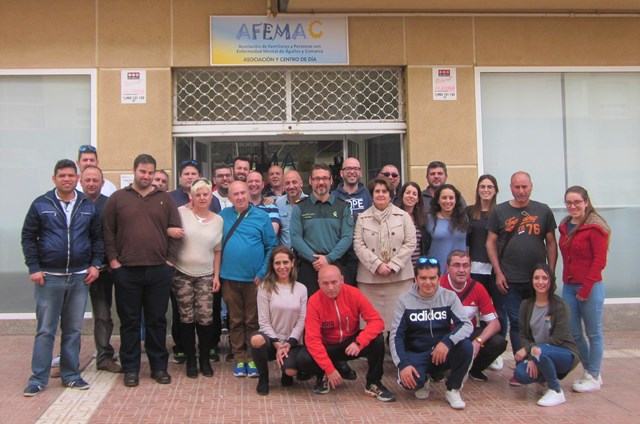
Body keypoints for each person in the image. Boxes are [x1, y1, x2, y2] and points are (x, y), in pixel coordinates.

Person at [21, 159, 104, 396]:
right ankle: (38, 378)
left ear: (77, 178)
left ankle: (70, 375)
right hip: (49, 277)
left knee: (73, 329)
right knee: (46, 329)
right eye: (62, 175)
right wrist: (34, 267)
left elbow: (97, 238)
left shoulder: (87, 205)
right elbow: (28, 237)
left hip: (79, 277)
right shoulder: (41, 204)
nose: (67, 179)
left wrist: (96, 265)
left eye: (70, 175)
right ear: (54, 178)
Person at [103, 154, 182, 387]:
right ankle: (131, 369)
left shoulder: (165, 199)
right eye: (143, 172)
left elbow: (176, 230)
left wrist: (169, 262)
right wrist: (114, 261)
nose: (147, 176)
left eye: (150, 173)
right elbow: (108, 232)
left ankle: (159, 367)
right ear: (135, 171)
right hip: (127, 270)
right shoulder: (118, 199)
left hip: (159, 270)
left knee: (157, 321)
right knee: (129, 321)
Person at [486, 171, 557, 384]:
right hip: (510, 278)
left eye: (524, 187)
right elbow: (490, 242)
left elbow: (551, 243)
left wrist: (550, 274)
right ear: (510, 188)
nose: (521, 191)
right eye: (517, 187)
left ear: (531, 186)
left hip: (538, 281)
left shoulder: (543, 210)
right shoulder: (500, 211)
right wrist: (498, 272)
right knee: (517, 323)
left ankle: (542, 364)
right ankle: (522, 367)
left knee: (541, 323)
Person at [296, 265, 395, 402]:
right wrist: (329, 369)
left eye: (334, 282)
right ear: (318, 284)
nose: (330, 288)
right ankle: (322, 374)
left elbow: (377, 322)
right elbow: (312, 339)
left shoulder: (354, 293)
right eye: (325, 283)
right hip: (328, 347)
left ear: (342, 280)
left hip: (351, 344)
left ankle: (373, 383)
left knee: (377, 340)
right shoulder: (314, 301)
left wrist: (359, 342)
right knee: (303, 359)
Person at [390, 257, 473, 409]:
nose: (428, 282)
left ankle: (453, 389)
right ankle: (423, 380)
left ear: (439, 278)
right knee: (410, 384)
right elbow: (396, 336)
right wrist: (403, 364)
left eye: (432, 278)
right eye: (423, 278)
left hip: (441, 353)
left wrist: (447, 342)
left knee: (466, 346)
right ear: (415, 278)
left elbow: (466, 325)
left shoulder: (449, 296)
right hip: (417, 353)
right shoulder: (404, 300)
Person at [219, 181, 278, 379]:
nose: (240, 197)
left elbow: (271, 246)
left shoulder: (261, 217)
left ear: (248, 193)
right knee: (235, 321)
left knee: (253, 321)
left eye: (243, 193)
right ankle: (239, 358)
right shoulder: (222, 217)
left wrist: (262, 273)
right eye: (235, 194)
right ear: (229, 197)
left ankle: (253, 358)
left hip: (254, 281)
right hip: (228, 278)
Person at [168, 159, 221, 365]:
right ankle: (191, 359)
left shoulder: (218, 220)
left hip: (206, 275)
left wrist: (216, 276)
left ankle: (205, 359)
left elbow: (217, 250)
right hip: (182, 274)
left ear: (210, 196)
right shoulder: (180, 213)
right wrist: (168, 230)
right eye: (197, 194)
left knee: (206, 318)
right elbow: (165, 230)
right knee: (186, 318)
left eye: (205, 194)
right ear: (192, 196)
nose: (202, 197)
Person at [559, 186, 610, 393]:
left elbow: (599, 260)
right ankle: (590, 370)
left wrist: (587, 287)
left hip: (590, 286)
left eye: (577, 202)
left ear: (586, 202)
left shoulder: (596, 227)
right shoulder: (564, 225)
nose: (573, 206)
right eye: (569, 203)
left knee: (594, 332)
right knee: (573, 332)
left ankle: (594, 374)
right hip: (569, 286)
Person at [353, 178, 416, 332]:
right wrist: (377, 265)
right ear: (372, 195)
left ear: (390, 194)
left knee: (400, 323)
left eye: (384, 191)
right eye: (377, 191)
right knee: (372, 325)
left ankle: (397, 354)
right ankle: (376, 354)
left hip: (399, 279)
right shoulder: (362, 218)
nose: (381, 194)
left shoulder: (403, 216)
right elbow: (358, 244)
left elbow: (410, 243)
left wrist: (393, 265)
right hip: (370, 280)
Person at [513, 264, 579, 407]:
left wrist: (530, 350)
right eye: (536, 278)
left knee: (539, 350)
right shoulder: (526, 304)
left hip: (564, 352)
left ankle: (555, 391)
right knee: (520, 374)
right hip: (538, 352)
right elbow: (523, 335)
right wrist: (532, 356)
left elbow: (557, 339)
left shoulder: (560, 306)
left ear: (551, 282)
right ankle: (544, 378)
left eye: (544, 278)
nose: (540, 282)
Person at [440, 250, 507, 382]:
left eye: (465, 265)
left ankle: (473, 369)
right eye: (457, 265)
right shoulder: (438, 286)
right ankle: (439, 369)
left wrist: (478, 342)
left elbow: (495, 324)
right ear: (447, 267)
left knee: (498, 342)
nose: (461, 270)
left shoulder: (478, 288)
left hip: (466, 334)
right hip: (443, 335)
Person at [80, 166, 122, 373]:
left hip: (106, 269)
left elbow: (118, 233)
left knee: (103, 316)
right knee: (72, 318)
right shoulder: (74, 204)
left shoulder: (110, 205)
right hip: (78, 269)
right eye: (87, 180)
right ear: (81, 181)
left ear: (102, 183)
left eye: (95, 180)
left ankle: (104, 357)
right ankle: (68, 360)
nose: (91, 183)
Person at [250, 246, 307, 395]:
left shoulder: (301, 288)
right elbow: (263, 321)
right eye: (277, 263)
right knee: (256, 339)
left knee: (290, 372)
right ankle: (263, 376)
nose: (282, 267)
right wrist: (277, 344)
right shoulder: (264, 287)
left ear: (292, 263)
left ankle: (285, 370)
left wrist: (288, 343)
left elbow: (301, 320)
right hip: (271, 340)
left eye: (285, 262)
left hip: (291, 343)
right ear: (272, 265)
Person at [290, 163, 354, 294]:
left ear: (331, 180)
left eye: (325, 178)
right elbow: (295, 237)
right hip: (309, 267)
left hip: (335, 264)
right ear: (310, 181)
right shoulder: (300, 207)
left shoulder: (343, 207)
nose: (321, 182)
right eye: (317, 178)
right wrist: (316, 260)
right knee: (311, 308)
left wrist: (329, 258)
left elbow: (347, 237)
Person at [466, 174, 507, 370]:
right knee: (478, 309)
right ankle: (481, 345)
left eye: (490, 187)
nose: (486, 190)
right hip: (475, 267)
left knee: (498, 310)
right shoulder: (469, 212)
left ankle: (496, 351)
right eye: (482, 186)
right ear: (478, 189)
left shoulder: (500, 212)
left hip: (495, 268)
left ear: (495, 190)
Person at [335, 157, 372, 286]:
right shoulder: (333, 196)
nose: (352, 172)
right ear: (341, 173)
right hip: (341, 257)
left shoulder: (369, 196)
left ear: (360, 172)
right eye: (348, 168)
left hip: (364, 257)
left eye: (355, 169)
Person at [426, 184, 468, 273]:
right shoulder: (430, 219)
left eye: (451, 198)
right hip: (436, 270)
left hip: (460, 271)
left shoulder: (464, 219)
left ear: (456, 200)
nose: (448, 201)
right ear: (438, 200)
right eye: (444, 198)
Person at [396, 182, 429, 266]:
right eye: (407, 193)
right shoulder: (394, 216)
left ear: (418, 199)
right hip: (399, 266)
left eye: (414, 194)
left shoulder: (422, 219)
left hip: (418, 267)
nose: (410, 196)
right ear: (402, 195)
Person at [275, 170, 307, 247]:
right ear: (283, 186)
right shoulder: (278, 203)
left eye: (294, 182)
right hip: (285, 254)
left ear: (301, 183)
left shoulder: (310, 203)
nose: (291, 186)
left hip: (305, 254)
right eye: (287, 183)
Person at [247, 171, 281, 235]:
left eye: (257, 181)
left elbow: (272, 233)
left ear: (262, 185)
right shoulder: (240, 207)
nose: (254, 184)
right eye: (250, 181)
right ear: (245, 184)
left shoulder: (272, 207)